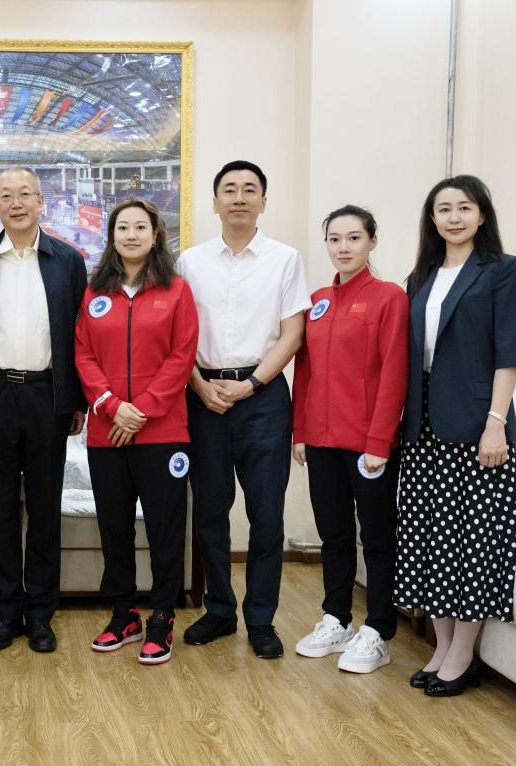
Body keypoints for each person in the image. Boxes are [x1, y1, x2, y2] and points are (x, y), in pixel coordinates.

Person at [395, 175, 516, 696]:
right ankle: (441, 646)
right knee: (430, 537)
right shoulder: (420, 278)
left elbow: (508, 353)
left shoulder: (504, 270)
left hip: (476, 425)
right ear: (432, 219)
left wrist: (496, 422)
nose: (454, 217)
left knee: (471, 539)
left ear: (482, 214)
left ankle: (463, 653)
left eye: (464, 207)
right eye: (444, 209)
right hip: (423, 422)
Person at [176, 160, 310, 657]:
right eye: (229, 189)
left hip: (264, 397)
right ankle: (219, 610)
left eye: (249, 189)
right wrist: (198, 384)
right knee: (210, 511)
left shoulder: (285, 259)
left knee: (266, 513)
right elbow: (178, 334)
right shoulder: (190, 262)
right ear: (215, 203)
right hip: (204, 394)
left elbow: (293, 333)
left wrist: (252, 384)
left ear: (263, 202)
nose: (239, 197)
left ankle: (260, 618)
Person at [0, 167, 87, 653]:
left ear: (40, 201)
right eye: (6, 196)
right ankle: (6, 613)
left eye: (25, 194)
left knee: (45, 509)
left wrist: (78, 400)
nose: (16, 203)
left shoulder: (68, 261)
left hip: (48, 397)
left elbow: (81, 335)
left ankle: (41, 615)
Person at [75, 198, 198, 665]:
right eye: (122, 227)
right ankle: (123, 613)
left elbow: (182, 355)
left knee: (165, 527)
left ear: (155, 235)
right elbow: (83, 353)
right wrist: (111, 406)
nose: (131, 235)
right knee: (114, 526)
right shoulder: (94, 292)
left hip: (163, 431)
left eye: (139, 227)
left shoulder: (176, 291)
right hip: (106, 432)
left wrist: (141, 410)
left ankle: (162, 616)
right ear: (111, 236)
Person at [290, 205, 408, 673]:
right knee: (333, 534)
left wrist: (379, 441)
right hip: (320, 441)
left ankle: (378, 629)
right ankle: (336, 618)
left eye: (354, 238)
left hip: (368, 445)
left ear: (372, 242)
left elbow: (394, 373)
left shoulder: (388, 297)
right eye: (335, 239)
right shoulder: (317, 300)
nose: (343, 247)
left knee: (376, 536)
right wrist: (300, 432)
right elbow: (305, 371)